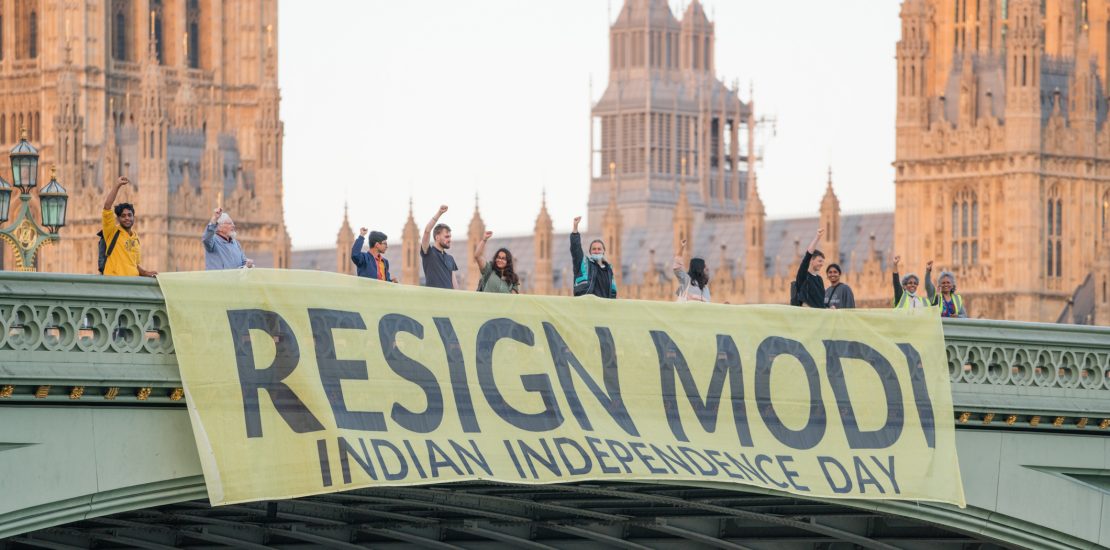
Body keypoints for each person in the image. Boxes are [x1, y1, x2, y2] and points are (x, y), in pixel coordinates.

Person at [101, 176, 157, 277]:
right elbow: (107, 207)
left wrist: (145, 272)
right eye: (123, 216)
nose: (127, 218)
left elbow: (133, 264)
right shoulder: (112, 232)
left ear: (133, 217)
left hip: (131, 284)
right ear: (118, 219)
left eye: (129, 215)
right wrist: (117, 186)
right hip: (115, 283)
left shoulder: (135, 238)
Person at [570, 216, 617, 299]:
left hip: (604, 307)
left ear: (603, 251)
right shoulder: (584, 264)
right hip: (587, 305)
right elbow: (575, 249)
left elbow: (613, 292)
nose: (596, 251)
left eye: (599, 249)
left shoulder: (609, 269)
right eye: (594, 249)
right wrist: (575, 229)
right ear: (590, 252)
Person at [420, 205, 459, 289]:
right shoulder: (428, 252)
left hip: (448, 300)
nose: (449, 240)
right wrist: (439, 213)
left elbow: (455, 285)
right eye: (446, 237)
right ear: (437, 237)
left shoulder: (450, 258)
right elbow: (427, 231)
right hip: (433, 300)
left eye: (450, 237)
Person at [792, 228, 826, 308]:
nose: (822, 264)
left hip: (819, 317)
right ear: (811, 260)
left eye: (822, 262)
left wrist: (829, 307)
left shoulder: (819, 279)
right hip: (807, 316)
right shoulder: (803, 276)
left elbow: (821, 302)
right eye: (819, 261)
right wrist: (817, 237)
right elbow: (808, 255)